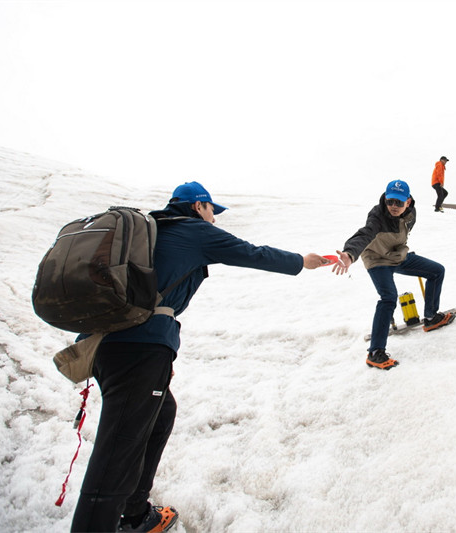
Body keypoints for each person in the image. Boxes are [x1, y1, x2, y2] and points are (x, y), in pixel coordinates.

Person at [70, 181, 327, 532]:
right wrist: (302, 261)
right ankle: (111, 522)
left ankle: (135, 512)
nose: (214, 219)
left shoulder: (152, 232)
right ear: (196, 207)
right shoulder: (192, 231)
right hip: (137, 351)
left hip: (110, 345)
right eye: (211, 210)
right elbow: (253, 253)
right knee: (116, 452)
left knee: (160, 415)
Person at [332, 179, 454, 370]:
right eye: (390, 201)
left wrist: (401, 250)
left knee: (437, 271)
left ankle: (431, 318)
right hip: (377, 260)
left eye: (398, 202)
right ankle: (375, 353)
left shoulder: (411, 213)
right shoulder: (377, 216)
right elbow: (364, 235)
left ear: (408, 201)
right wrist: (349, 254)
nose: (394, 206)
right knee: (388, 297)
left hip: (397, 255)